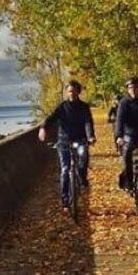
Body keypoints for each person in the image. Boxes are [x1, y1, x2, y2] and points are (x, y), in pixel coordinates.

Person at [38, 80, 96, 212]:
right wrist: (43, 128)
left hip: (80, 139)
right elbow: (51, 118)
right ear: (67, 92)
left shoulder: (83, 107)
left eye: (74, 91)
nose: (72, 93)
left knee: (83, 157)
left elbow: (88, 122)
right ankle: (65, 201)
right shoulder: (62, 107)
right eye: (69, 91)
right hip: (63, 141)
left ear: (78, 92)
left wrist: (90, 136)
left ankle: (82, 176)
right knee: (65, 170)